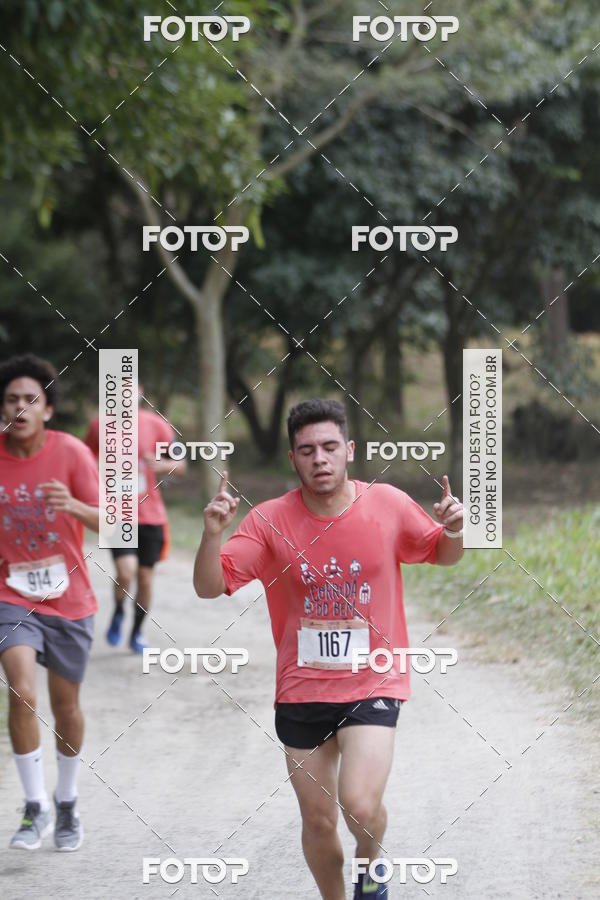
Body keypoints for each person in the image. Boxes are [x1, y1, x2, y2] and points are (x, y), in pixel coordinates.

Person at [193, 398, 464, 900]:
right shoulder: (270, 521)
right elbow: (211, 586)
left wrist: (454, 528)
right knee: (318, 822)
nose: (320, 458)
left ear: (349, 451)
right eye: (307, 450)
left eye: (330, 447)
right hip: (302, 689)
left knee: (359, 805)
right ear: (293, 459)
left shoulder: (386, 503)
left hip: (375, 679)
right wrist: (212, 537)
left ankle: (370, 863)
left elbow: (441, 554)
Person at [0, 353, 100, 852]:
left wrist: (74, 505)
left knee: (67, 708)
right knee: (21, 690)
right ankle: (34, 806)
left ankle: (66, 802)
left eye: (30, 399)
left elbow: (116, 523)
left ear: (48, 409)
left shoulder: (71, 453)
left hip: (70, 598)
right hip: (11, 595)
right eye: (12, 399)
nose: (20, 406)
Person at [85, 385, 185, 653]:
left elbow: (181, 464)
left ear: (139, 392)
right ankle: (119, 610)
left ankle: (137, 631)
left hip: (152, 515)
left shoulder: (157, 425)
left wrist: (162, 465)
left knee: (145, 578)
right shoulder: (99, 426)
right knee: (126, 572)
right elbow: (84, 459)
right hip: (116, 514)